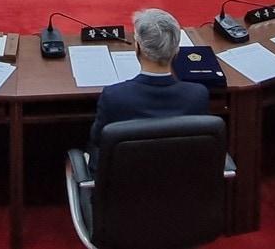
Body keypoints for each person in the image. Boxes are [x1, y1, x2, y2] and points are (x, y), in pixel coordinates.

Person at [87, 9, 208, 170]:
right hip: (182, 189)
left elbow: (97, 140)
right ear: (176, 51)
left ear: (137, 48)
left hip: (124, 191)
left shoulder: (114, 96)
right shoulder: (197, 95)